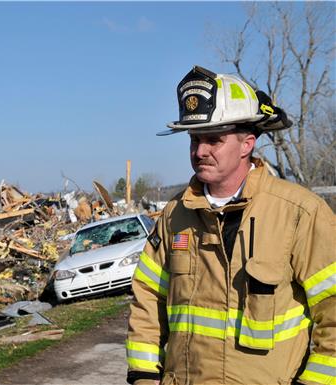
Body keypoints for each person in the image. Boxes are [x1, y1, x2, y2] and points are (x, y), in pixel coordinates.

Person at [126, 66, 335, 385]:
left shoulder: (300, 213)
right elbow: (147, 299)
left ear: (247, 144)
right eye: (195, 140)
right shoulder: (174, 216)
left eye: (214, 140)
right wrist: (143, 375)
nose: (200, 151)